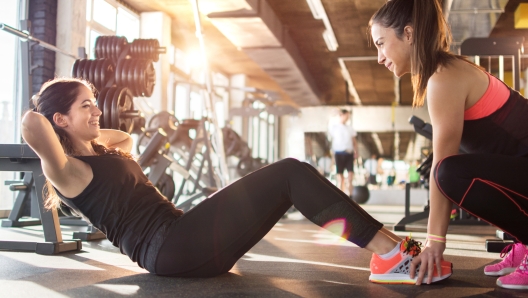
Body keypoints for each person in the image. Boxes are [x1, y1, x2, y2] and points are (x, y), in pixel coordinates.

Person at [22, 78, 451, 283]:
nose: (97, 110)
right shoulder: (65, 170)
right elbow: (31, 123)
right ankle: (396, 254)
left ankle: (395, 251)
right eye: (86, 105)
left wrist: (81, 124)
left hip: (180, 240)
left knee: (288, 181)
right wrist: (48, 110)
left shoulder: (99, 153)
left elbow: (126, 136)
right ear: (58, 119)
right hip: (171, 248)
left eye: (96, 102)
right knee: (288, 172)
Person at [370, 0, 528, 289]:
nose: (379, 57)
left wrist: (434, 243)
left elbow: (444, 169)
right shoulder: (442, 73)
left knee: (448, 172)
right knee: (447, 168)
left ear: (408, 34)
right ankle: (523, 240)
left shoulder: (444, 78)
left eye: (381, 43)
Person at [328, 109, 358, 197]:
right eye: (347, 116)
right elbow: (329, 119)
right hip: (338, 154)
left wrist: (356, 153)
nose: (348, 118)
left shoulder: (350, 128)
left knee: (350, 177)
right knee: (340, 178)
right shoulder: (334, 127)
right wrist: (336, 112)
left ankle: (351, 196)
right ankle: (341, 197)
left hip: (349, 153)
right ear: (342, 115)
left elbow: (354, 142)